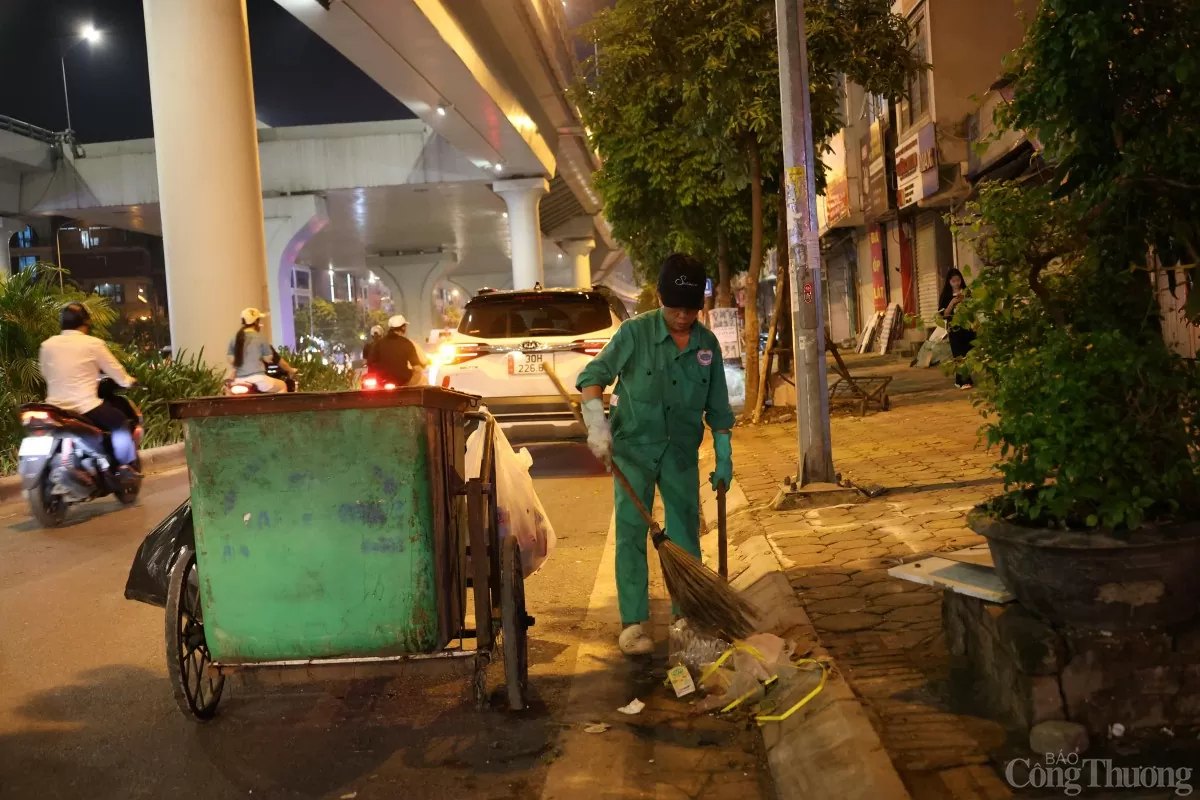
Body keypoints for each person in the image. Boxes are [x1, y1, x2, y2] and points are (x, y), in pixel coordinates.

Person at [576, 253, 735, 656]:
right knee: (631, 534)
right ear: (661, 299)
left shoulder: (707, 344)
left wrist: (723, 456)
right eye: (675, 308)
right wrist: (597, 424)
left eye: (691, 309)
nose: (683, 317)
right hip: (632, 451)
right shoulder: (634, 334)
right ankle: (633, 623)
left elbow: (718, 410)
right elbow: (592, 378)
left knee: (683, 534)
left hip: (680, 453)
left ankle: (687, 615)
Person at [38, 302, 139, 473]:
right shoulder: (93, 344)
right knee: (120, 422)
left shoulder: (47, 345)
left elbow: (44, 372)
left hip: (55, 408)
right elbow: (115, 370)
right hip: (85, 406)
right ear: (85, 324)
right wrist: (129, 381)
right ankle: (124, 466)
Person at [227, 308, 295, 393]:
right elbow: (268, 358)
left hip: (239, 380)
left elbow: (231, 359)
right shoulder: (261, 338)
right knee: (282, 386)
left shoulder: (235, 338)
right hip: (259, 379)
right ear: (256, 322)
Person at [938, 269, 975, 389]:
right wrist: (953, 302)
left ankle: (960, 380)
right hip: (954, 329)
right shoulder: (946, 296)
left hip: (968, 328)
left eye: (958, 280)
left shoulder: (967, 292)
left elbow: (973, 308)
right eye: (953, 280)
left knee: (967, 354)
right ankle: (965, 381)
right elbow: (943, 314)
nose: (956, 283)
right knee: (958, 355)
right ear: (949, 282)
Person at [372, 315, 429, 387]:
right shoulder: (406, 343)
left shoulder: (379, 343)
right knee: (423, 380)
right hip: (403, 380)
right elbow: (416, 367)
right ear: (403, 327)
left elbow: (371, 363)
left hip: (382, 380)